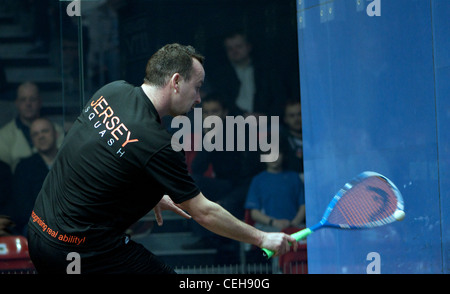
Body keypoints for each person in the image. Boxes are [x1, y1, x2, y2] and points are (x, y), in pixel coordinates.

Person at [27, 43, 297, 274]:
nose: (199, 99)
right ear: (176, 82)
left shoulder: (111, 91)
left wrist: (149, 193)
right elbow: (204, 212)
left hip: (39, 232)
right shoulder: (158, 144)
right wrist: (262, 237)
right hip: (75, 250)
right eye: (197, 87)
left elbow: (92, 160)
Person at [207, 30, 285, 117]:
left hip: (266, 120)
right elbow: (222, 102)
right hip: (233, 122)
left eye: (239, 46)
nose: (234, 51)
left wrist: (267, 117)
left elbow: (279, 98)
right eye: (230, 48)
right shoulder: (221, 75)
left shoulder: (266, 71)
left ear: (248, 47)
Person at [0, 82, 64, 171]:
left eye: (32, 99)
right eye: (23, 100)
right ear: (16, 103)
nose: (28, 104)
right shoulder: (3, 136)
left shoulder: (57, 131)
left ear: (40, 102)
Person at [11, 118, 59, 236]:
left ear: (56, 134)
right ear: (32, 140)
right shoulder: (23, 167)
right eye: (35, 134)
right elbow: (22, 208)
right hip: (37, 227)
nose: (41, 136)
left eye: (45, 131)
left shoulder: (69, 161)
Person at [244, 146, 305, 232]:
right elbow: (254, 213)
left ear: (283, 155)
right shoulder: (258, 180)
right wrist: (274, 222)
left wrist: (293, 224)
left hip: (294, 226)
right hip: (268, 227)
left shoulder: (294, 177)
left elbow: (303, 206)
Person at [280, 99, 304, 178]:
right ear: (285, 119)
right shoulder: (281, 143)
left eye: (299, 114)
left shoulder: (318, 139)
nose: (297, 119)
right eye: (292, 116)